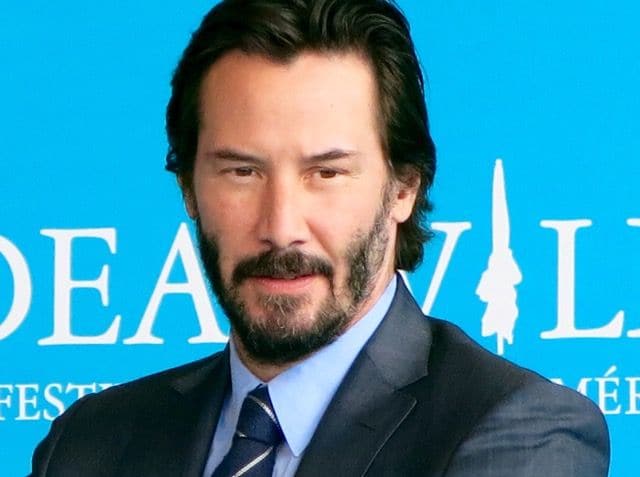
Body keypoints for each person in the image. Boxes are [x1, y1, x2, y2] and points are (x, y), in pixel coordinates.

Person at [30, 0, 610, 475]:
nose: (281, 227)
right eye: (242, 172)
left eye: (326, 173)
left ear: (403, 189)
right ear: (188, 188)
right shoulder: (89, 444)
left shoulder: (519, 432)